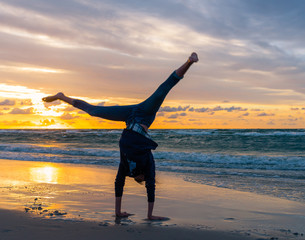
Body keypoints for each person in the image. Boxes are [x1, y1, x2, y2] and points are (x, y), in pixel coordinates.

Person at [42, 52, 199, 220]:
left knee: (94, 111)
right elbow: (151, 187)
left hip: (130, 119)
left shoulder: (127, 167)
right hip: (145, 113)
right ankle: (189, 62)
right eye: (142, 179)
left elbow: (118, 184)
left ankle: (61, 96)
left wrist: (117, 212)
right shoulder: (147, 165)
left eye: (141, 180)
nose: (141, 180)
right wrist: (150, 215)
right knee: (163, 90)